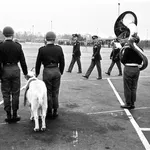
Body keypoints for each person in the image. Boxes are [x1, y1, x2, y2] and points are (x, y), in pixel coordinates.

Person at [0, 26, 28, 123]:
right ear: (12, 34)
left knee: (6, 93)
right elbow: (23, 61)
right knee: (15, 93)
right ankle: (15, 114)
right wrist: (25, 73)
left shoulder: (1, 46)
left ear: (4, 34)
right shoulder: (18, 46)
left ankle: (8, 114)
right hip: (15, 69)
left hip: (5, 70)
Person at [35, 31, 65, 119]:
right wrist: (60, 71)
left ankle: (49, 111)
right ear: (54, 39)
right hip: (56, 69)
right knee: (55, 92)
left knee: (48, 92)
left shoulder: (42, 49)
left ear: (46, 39)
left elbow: (38, 63)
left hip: (47, 70)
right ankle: (55, 110)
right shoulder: (59, 48)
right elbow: (62, 61)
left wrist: (37, 73)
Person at [120, 35, 142, 109]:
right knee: (134, 87)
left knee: (127, 87)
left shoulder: (127, 49)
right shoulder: (140, 49)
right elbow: (141, 60)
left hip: (128, 68)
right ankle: (132, 103)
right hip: (136, 69)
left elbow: (123, 60)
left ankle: (128, 103)